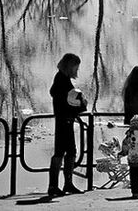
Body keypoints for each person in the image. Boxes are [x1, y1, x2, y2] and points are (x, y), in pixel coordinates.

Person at [48, 52, 87, 197]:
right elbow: (71, 101)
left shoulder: (60, 79)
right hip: (65, 119)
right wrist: (81, 104)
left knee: (68, 151)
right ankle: (58, 185)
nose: (77, 70)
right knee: (64, 151)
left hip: (63, 119)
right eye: (76, 67)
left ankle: (62, 184)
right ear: (70, 66)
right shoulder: (62, 81)